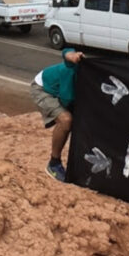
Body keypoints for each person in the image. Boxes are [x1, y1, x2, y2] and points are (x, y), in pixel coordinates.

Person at [30, 48, 85, 182]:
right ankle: (54, 163)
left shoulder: (85, 76)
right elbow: (67, 54)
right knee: (66, 120)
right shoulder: (72, 73)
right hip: (43, 89)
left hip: (62, 90)